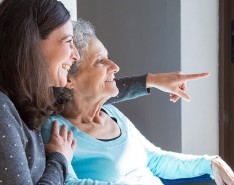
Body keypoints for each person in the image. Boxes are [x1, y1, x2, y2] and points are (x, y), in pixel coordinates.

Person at [42, 19, 234, 185]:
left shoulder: (113, 115)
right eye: (100, 61)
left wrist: (210, 162)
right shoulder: (56, 130)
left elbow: (156, 161)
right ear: (69, 79)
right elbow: (68, 182)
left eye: (109, 58)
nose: (115, 67)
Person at [0, 0, 79, 184]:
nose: (76, 54)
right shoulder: (2, 109)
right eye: (68, 41)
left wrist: (150, 81)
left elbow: (91, 92)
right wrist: (60, 159)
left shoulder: (22, 98)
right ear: (32, 45)